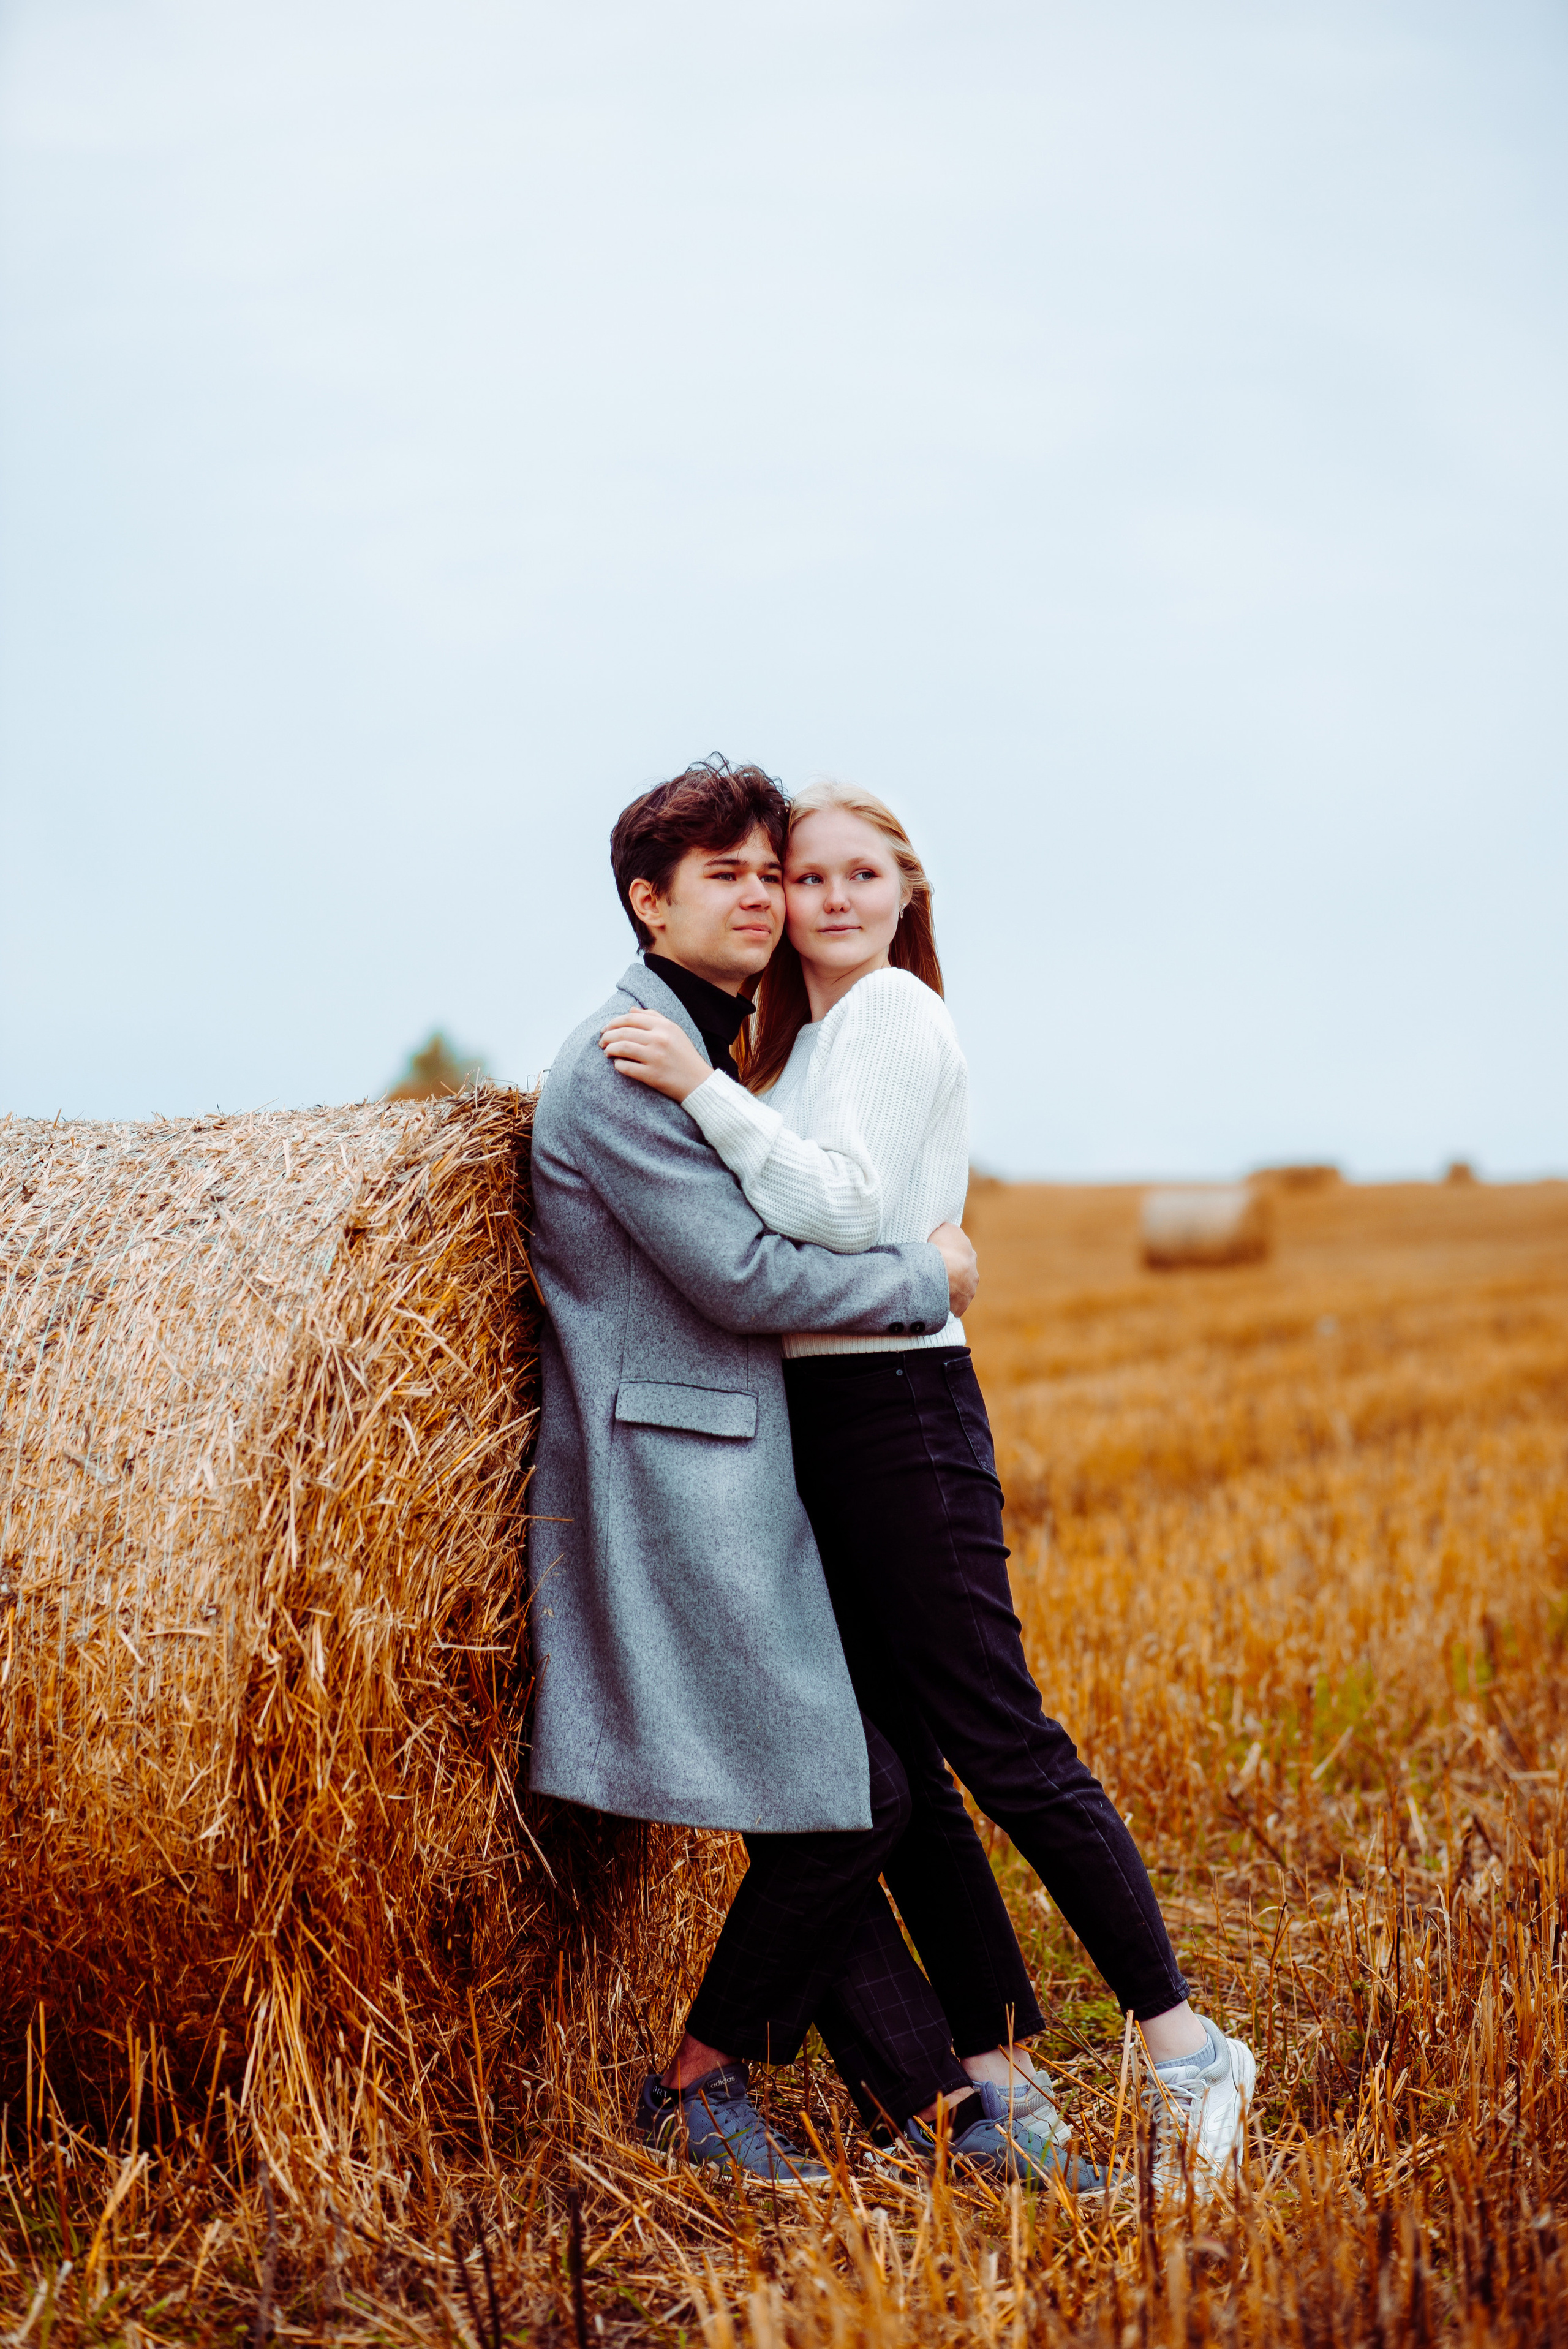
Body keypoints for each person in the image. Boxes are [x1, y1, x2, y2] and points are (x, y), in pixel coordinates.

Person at [599, 777, 1259, 2192]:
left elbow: (828, 1210)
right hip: (827, 1426)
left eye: (855, 877)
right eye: (796, 876)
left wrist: (707, 1090)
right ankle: (998, 2080)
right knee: (908, 1777)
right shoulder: (805, 1041)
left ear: (907, 901)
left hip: (896, 1409)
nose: (818, 900)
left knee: (997, 1740)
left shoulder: (890, 1014)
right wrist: (734, 1085)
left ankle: (1185, 2044)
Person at [528, 759, 1095, 2190]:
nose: (767, 898)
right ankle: (701, 2084)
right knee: (851, 1796)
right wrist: (929, 1273)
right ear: (648, 903)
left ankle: (939, 2109)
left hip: (749, 1470)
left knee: (851, 1793)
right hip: (684, 1485)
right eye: (726, 874)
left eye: (769, 872)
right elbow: (731, 1275)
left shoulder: (717, 1046)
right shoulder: (625, 1059)